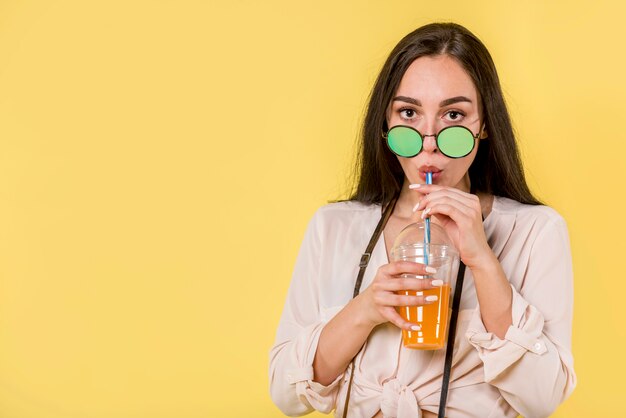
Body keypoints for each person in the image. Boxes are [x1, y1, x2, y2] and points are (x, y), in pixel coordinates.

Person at [269, 22, 576, 418]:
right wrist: (365, 309)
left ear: (483, 125)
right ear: (386, 123)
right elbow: (284, 393)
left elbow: (542, 398)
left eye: (453, 115)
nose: (429, 142)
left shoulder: (536, 232)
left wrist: (483, 261)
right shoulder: (334, 228)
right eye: (409, 112)